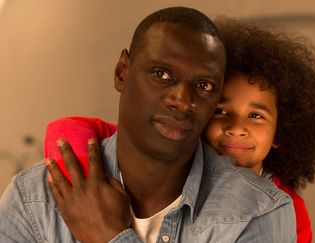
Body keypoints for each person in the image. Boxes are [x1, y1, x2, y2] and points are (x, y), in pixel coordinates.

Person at [0, 7, 296, 243]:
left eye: (204, 85)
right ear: (121, 73)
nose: (182, 101)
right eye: (161, 74)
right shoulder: (34, 200)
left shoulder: (256, 210)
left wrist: (110, 237)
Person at [43, 18, 315, 243]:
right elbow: (66, 130)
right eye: (221, 111)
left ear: (282, 131)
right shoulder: (160, 156)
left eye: (256, 116)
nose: (236, 128)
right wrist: (90, 185)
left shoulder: (281, 210)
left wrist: (108, 234)